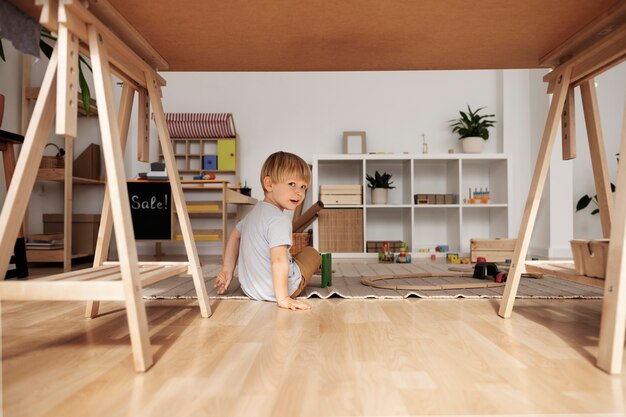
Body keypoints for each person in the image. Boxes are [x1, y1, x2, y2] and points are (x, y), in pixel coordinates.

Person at [214, 151, 321, 310]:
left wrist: (227, 269)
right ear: (269, 184)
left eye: (303, 186)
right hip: (276, 291)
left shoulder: (253, 214)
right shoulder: (280, 220)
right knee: (312, 253)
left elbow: (235, 236)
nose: (299, 192)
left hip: (251, 289)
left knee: (289, 255)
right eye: (292, 184)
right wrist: (283, 298)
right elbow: (278, 260)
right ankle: (284, 290)